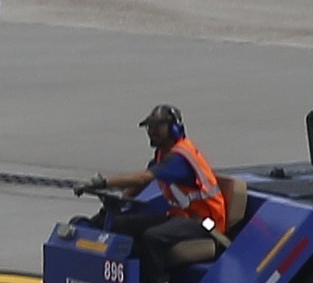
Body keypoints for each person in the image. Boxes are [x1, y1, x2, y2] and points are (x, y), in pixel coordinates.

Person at [92, 105, 226, 272]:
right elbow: (141, 183)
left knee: (153, 237)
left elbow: (144, 177)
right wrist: (121, 202)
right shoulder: (162, 153)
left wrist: (104, 182)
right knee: (121, 224)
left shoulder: (179, 158)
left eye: (158, 126)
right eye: (150, 127)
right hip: (181, 216)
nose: (152, 131)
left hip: (204, 222)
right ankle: (128, 276)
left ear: (174, 128)